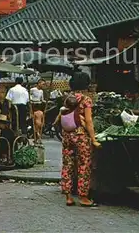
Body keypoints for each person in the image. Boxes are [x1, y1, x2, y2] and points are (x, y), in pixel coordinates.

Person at [60, 72, 100, 207]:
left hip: (67, 135)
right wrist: (93, 138)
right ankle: (83, 197)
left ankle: (68, 196)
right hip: (81, 136)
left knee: (68, 164)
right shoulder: (86, 100)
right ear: (86, 84)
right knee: (84, 164)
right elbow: (88, 121)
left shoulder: (67, 98)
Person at [30, 79, 46, 143]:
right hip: (34, 105)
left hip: (39, 105)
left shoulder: (41, 91)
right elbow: (29, 97)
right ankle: (36, 136)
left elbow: (42, 99)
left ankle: (37, 136)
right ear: (39, 83)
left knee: (40, 121)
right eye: (42, 84)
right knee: (35, 121)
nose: (43, 85)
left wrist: (48, 101)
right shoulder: (33, 90)